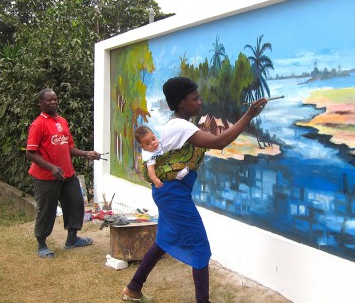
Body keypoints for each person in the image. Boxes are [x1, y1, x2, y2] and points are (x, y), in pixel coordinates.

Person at [122, 77, 267, 303]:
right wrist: (248, 115)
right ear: (181, 103)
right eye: (194, 99)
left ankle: (133, 288)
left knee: (163, 241)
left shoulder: (179, 125)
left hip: (170, 192)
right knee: (199, 247)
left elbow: (209, 140)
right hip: (173, 194)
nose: (199, 102)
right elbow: (218, 142)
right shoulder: (180, 126)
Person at [25, 88, 100, 258]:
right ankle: (42, 244)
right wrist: (51, 167)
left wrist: (86, 153)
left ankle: (72, 239)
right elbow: (30, 153)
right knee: (47, 209)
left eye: (55, 99)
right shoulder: (38, 124)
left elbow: (68, 146)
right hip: (46, 177)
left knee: (75, 203)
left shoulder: (62, 121)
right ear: (40, 103)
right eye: (48, 100)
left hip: (67, 174)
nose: (53, 102)